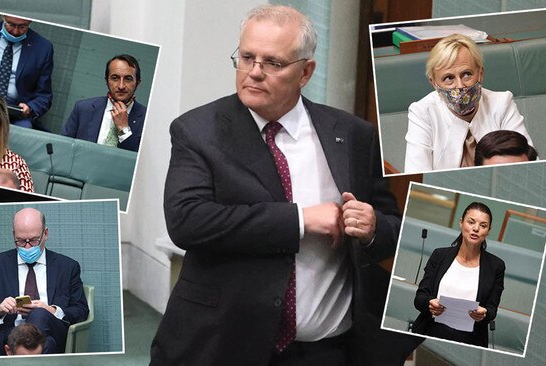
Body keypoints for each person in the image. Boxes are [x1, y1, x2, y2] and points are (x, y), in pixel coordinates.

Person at [151, 5, 419, 365]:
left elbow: (393, 226)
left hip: (327, 351)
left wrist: (371, 227)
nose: (254, 73)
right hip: (224, 346)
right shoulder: (198, 131)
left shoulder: (353, 135)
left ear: (305, 71)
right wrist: (300, 220)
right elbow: (188, 221)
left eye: (273, 63)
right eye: (247, 57)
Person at [0, 207, 89, 356]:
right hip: (10, 335)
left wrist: (52, 311)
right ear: (13, 235)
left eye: (33, 240)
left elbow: (81, 310)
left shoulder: (67, 267)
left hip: (52, 329)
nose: (27, 246)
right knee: (48, 344)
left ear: (45, 234)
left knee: (40, 314)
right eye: (20, 241)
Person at [404, 34, 533, 173]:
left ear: (481, 74)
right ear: (434, 83)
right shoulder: (422, 112)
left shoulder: (502, 103)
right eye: (449, 78)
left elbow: (529, 163)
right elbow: (416, 174)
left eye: (467, 74)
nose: (460, 86)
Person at [412, 202, 505, 347]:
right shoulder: (439, 255)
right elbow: (420, 298)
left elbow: (492, 310)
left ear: (488, 231)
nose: (476, 229)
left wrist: (484, 313)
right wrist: (430, 304)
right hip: (430, 331)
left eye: (483, 225)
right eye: (471, 222)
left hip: (470, 340)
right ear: (461, 222)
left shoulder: (496, 266)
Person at [61, 54, 147, 152]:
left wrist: (123, 129)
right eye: (115, 78)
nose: (121, 86)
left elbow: (141, 161)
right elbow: (64, 148)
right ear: (106, 80)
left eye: (128, 79)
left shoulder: (147, 119)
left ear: (137, 83)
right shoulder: (83, 109)